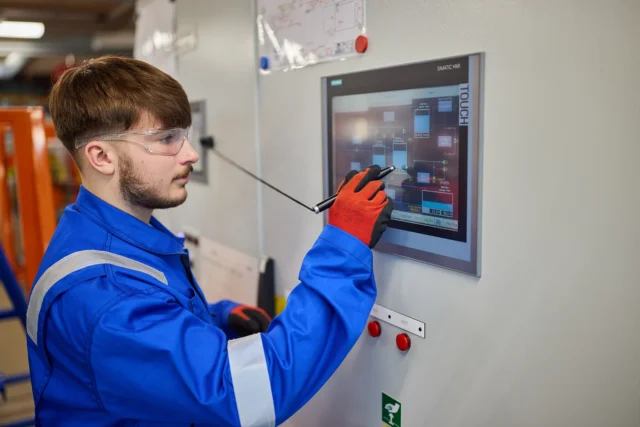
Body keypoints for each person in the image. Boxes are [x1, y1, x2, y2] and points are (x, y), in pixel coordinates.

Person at [25, 56, 394, 426]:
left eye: (182, 136)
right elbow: (246, 394)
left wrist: (215, 318)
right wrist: (344, 247)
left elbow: (146, 325)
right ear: (102, 156)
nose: (191, 155)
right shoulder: (107, 297)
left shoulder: (99, 232)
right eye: (166, 139)